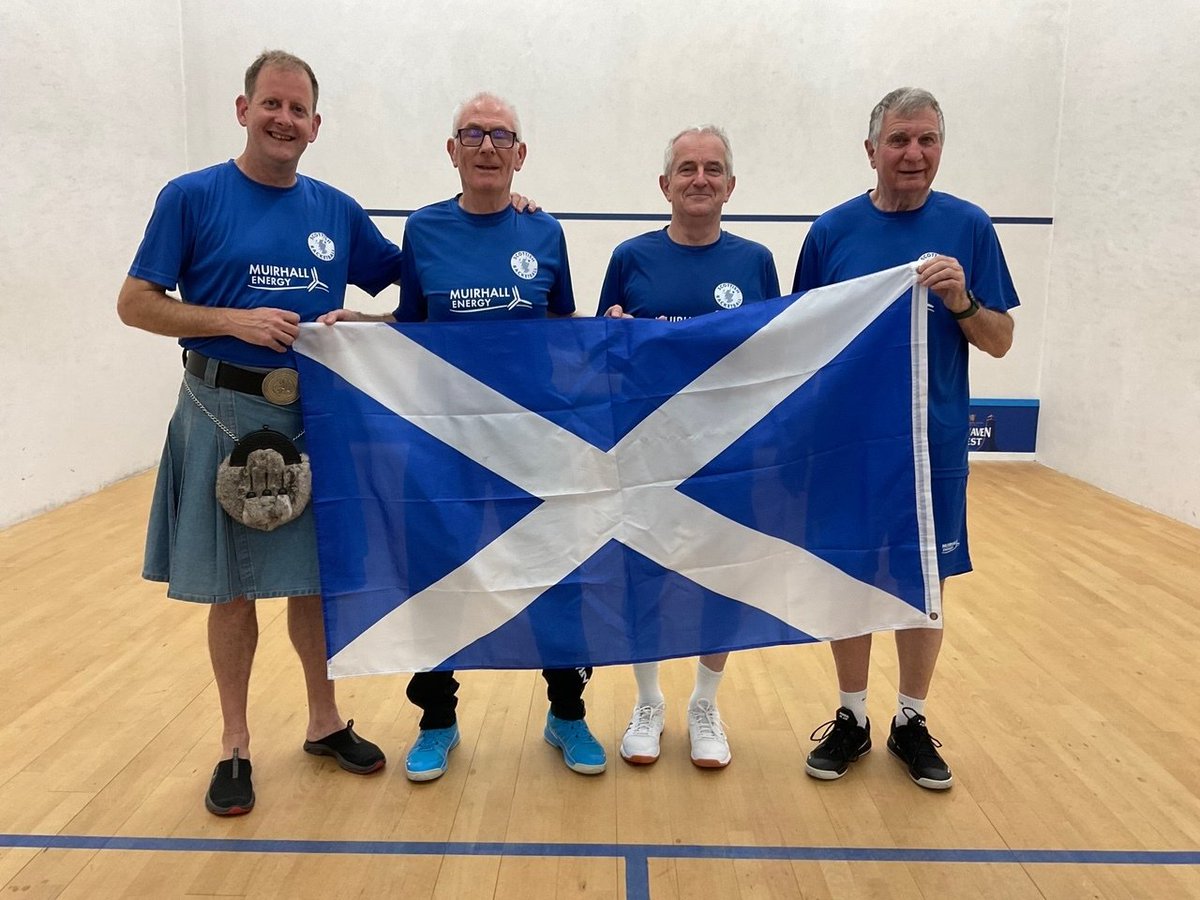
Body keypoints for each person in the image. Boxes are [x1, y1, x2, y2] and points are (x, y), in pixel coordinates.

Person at [117, 50, 398, 816]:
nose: (284, 120)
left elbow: (416, 276)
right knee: (233, 591)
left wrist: (511, 213)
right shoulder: (191, 197)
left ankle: (324, 721)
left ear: (315, 124)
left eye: (298, 110)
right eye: (271, 105)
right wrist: (228, 319)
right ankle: (235, 744)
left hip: (312, 419)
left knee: (314, 583)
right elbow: (136, 304)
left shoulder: (335, 210)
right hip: (219, 413)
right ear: (244, 110)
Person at [793, 87, 1018, 789]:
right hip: (849, 448)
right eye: (898, 140)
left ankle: (911, 720)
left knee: (927, 580)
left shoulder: (971, 227)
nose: (913, 154)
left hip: (935, 446)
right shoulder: (831, 233)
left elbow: (1002, 340)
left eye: (926, 140)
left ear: (940, 149)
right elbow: (798, 341)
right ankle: (854, 716)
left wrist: (962, 301)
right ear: (871, 151)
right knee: (851, 575)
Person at [394, 92, 605, 782]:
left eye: (501, 136)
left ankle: (566, 713)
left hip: (535, 441)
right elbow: (406, 332)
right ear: (451, 149)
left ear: (520, 154)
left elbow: (567, 330)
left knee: (554, 577)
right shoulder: (421, 233)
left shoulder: (545, 234)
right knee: (441, 579)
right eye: (473, 134)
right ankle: (437, 720)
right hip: (445, 446)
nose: (487, 146)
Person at [598, 126, 779, 768]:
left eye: (712, 168)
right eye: (686, 168)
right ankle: (648, 701)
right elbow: (603, 356)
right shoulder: (629, 257)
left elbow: (769, 358)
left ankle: (705, 703)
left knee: (717, 577)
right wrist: (613, 333)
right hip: (649, 447)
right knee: (644, 571)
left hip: (726, 452)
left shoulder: (756, 261)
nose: (699, 178)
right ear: (664, 184)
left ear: (731, 185)